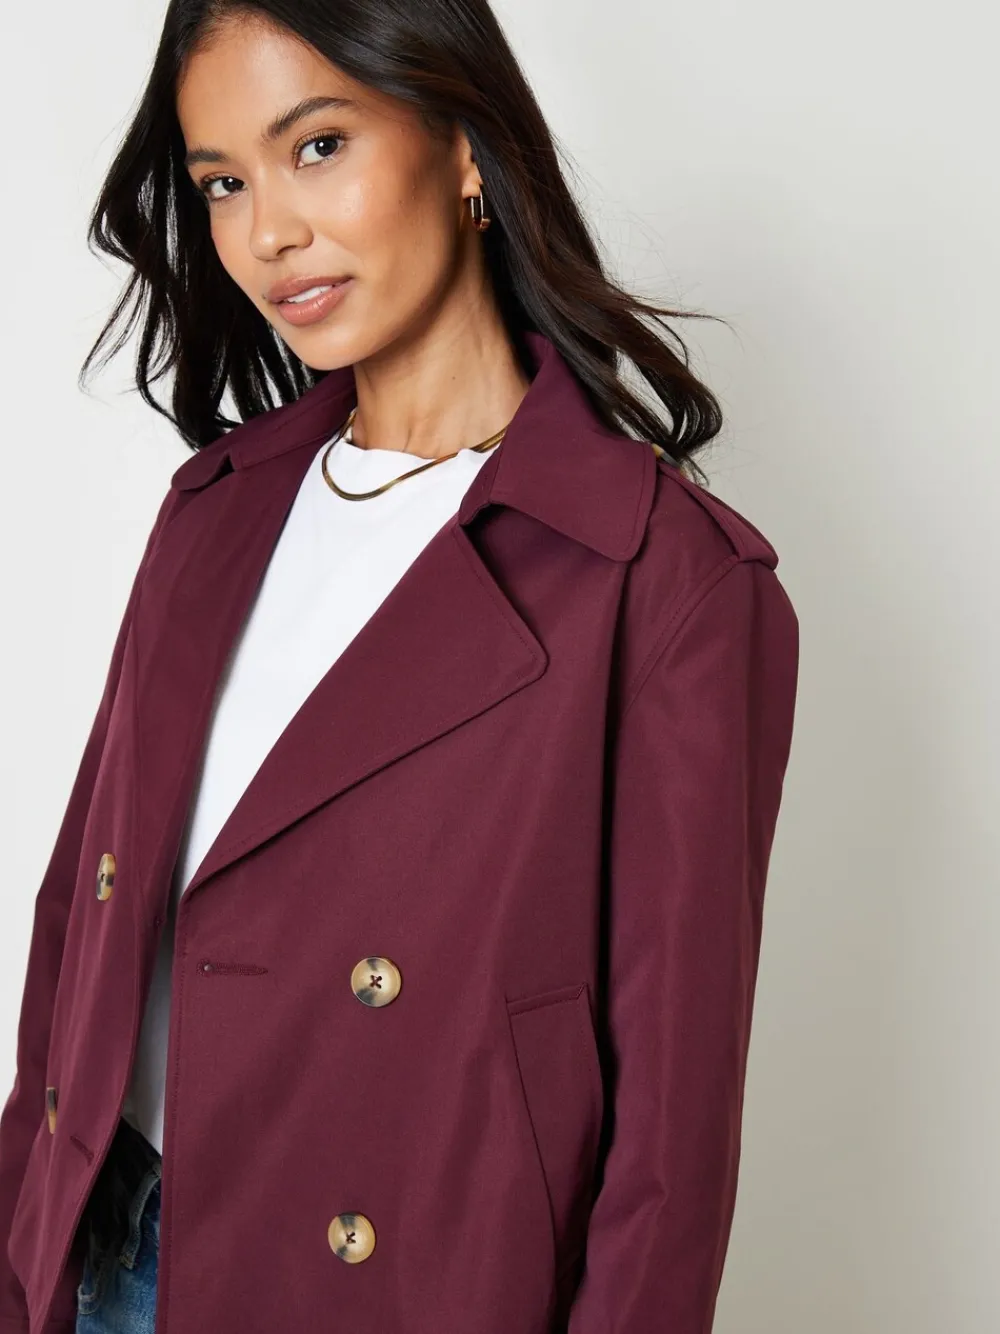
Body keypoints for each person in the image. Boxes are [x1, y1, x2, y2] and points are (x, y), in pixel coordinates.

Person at [0, 1, 800, 1332]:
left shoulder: (663, 581)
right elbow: (78, 934)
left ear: (466, 145)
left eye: (316, 147)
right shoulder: (215, 512)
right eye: (223, 183)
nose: (268, 233)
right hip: (101, 1261)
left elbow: (669, 1150)